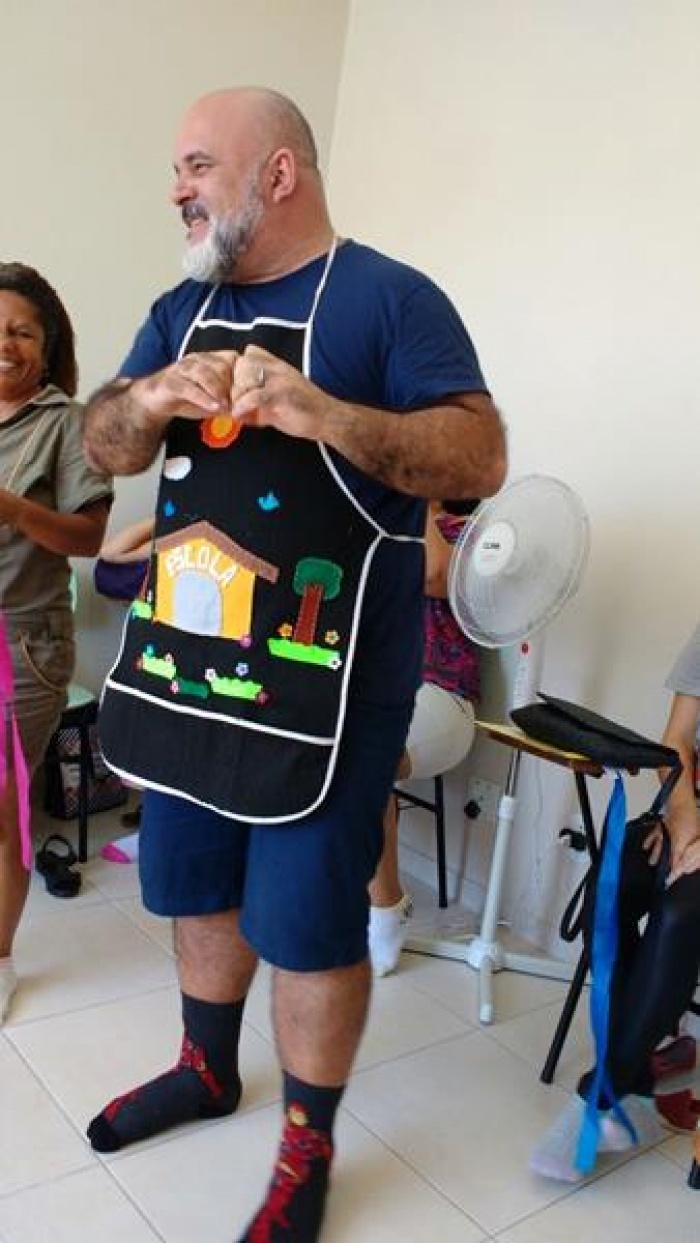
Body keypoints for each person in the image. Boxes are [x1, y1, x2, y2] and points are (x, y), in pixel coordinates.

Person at [82, 86, 506, 1241]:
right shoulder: (180, 310)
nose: (176, 188)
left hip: (327, 696)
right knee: (194, 886)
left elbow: (478, 455)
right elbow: (104, 444)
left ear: (277, 174)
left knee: (310, 921)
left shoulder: (388, 299)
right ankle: (206, 1066)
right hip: (185, 673)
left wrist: (330, 416)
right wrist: (149, 394)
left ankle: (306, 1143)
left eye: (197, 165)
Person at [530, 620, 700, 1183]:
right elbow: (676, 742)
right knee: (617, 879)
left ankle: (602, 1095)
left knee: (681, 912)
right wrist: (683, 817)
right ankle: (638, 1077)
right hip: (690, 811)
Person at [0, 262, 112, 1024]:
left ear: (48, 347)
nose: (6, 344)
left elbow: (91, 535)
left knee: (2, 810)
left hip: (21, 643)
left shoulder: (66, 423)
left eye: (22, 331)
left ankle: (0, 960)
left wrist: (10, 507)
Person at [368, 499, 481, 976]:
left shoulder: (472, 534)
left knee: (364, 762)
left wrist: (417, 502)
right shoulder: (382, 526)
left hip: (442, 695)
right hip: (374, 690)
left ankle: (387, 907)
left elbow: (435, 576)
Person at [92, 516, 154, 862]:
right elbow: (110, 555)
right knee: (142, 745)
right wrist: (161, 520)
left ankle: (152, 835)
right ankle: (151, 830)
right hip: (148, 669)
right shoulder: (169, 547)